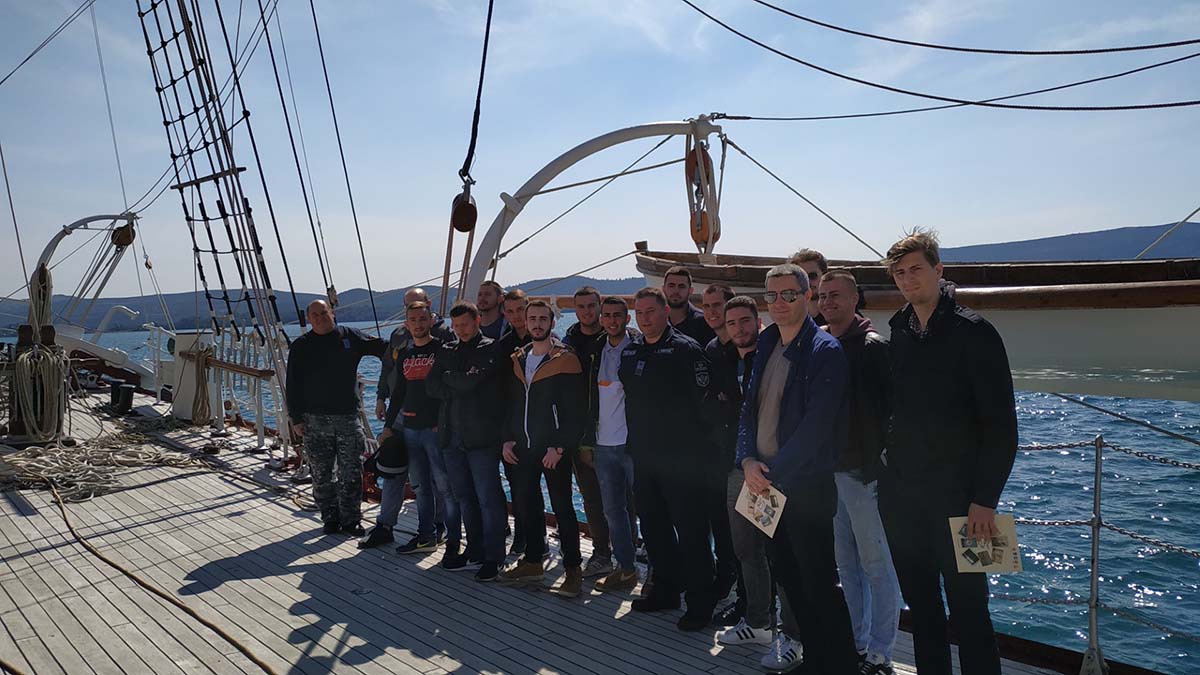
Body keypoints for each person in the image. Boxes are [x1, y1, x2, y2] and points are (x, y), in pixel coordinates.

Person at [878, 230, 1017, 675]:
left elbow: (1002, 427)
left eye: (916, 269)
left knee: (970, 610)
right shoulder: (899, 330)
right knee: (922, 609)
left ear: (938, 270)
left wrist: (985, 501)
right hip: (904, 498)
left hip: (961, 501)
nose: (908, 279)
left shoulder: (974, 332)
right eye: (900, 273)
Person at [737, 264, 860, 673]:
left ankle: (840, 665)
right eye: (771, 295)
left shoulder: (825, 351)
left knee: (819, 582)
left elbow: (817, 428)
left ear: (807, 297)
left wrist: (767, 474)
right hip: (765, 485)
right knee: (789, 577)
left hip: (804, 489)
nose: (779, 302)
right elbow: (749, 410)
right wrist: (747, 459)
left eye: (789, 294)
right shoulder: (767, 342)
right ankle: (816, 659)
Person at [714, 296, 805, 669]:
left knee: (779, 554)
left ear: (758, 321)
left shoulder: (770, 357)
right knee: (746, 549)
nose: (739, 328)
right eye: (731, 323)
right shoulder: (722, 359)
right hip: (737, 469)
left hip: (767, 470)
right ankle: (758, 622)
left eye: (745, 321)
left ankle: (793, 634)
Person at [818, 270, 902, 674]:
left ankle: (882, 651)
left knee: (876, 564)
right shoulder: (821, 344)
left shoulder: (873, 348)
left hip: (863, 474)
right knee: (846, 564)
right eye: (822, 296)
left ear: (855, 300)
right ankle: (855, 640)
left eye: (836, 295)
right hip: (830, 473)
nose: (827, 302)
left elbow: (894, 411)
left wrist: (881, 464)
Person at [620, 287, 717, 631]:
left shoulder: (685, 350)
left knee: (691, 532)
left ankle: (701, 603)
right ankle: (666, 590)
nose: (645, 318)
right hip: (645, 458)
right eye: (640, 312)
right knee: (654, 528)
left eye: (651, 311)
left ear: (665, 312)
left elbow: (704, 406)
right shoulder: (630, 351)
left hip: (682, 461)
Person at [499, 300, 586, 597]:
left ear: (552, 322)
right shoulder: (519, 358)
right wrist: (507, 438)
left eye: (542, 319)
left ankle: (573, 569)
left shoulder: (566, 359)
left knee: (562, 507)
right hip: (523, 446)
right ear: (525, 322)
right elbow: (512, 404)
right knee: (527, 504)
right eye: (532, 318)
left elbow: (576, 411)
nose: (537, 324)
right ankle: (534, 560)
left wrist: (559, 446)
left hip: (552, 449)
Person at [360, 301, 457, 555]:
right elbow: (399, 394)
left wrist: (443, 423)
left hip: (434, 430)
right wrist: (388, 427)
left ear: (431, 320)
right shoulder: (406, 354)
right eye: (413, 320)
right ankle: (426, 536)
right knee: (421, 487)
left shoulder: (442, 350)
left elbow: (451, 390)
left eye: (422, 319)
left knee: (444, 486)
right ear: (406, 324)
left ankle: (452, 539)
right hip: (411, 429)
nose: (418, 324)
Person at [285, 299, 386, 536]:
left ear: (332, 313)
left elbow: (383, 348)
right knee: (321, 473)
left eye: (324, 313)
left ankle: (351, 520)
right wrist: (296, 418)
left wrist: (407, 344)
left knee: (352, 471)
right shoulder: (301, 346)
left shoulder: (350, 336)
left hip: (347, 417)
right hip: (314, 420)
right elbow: (293, 385)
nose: (320, 318)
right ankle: (329, 517)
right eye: (315, 315)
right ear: (309, 319)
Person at [426, 300, 508, 582]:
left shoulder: (491, 348)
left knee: (488, 498)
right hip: (452, 436)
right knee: (464, 497)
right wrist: (457, 381)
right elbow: (431, 385)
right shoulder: (447, 350)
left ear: (477, 322)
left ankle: (495, 556)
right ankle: (475, 550)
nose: (461, 330)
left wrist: (450, 378)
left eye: (466, 324)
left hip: (481, 437)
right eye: (456, 325)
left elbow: (471, 382)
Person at [587, 296, 641, 593]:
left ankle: (658, 574)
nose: (611, 320)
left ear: (627, 318)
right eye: (606, 315)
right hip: (603, 445)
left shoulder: (639, 348)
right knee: (613, 512)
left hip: (633, 445)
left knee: (649, 511)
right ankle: (626, 569)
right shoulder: (595, 350)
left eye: (617, 315)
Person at [563, 286, 616, 579]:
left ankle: (626, 552)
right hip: (579, 430)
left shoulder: (614, 339)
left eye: (591, 306)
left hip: (613, 430)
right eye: (581, 306)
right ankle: (601, 552)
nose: (587, 311)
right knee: (592, 497)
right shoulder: (568, 343)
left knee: (621, 498)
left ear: (599, 306)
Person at [697, 284, 740, 611]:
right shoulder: (710, 349)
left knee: (747, 533)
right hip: (714, 452)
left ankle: (752, 602)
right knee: (719, 522)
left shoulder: (746, 348)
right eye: (707, 306)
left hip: (742, 455)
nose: (712, 311)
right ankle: (725, 580)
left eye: (718, 305)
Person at [494, 288, 537, 558]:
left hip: (540, 428)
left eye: (520, 309)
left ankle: (538, 540)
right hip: (514, 427)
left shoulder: (543, 340)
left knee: (541, 490)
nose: (516, 316)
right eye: (510, 311)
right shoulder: (503, 346)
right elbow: (499, 394)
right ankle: (522, 537)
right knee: (518, 488)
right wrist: (505, 434)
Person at [374, 287, 453, 424]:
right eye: (408, 305)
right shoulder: (398, 335)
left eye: (417, 303)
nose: (413, 308)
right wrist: (381, 398)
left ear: (428, 304)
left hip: (433, 410)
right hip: (401, 406)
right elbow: (387, 366)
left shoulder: (444, 334)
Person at [662, 266, 716, 347]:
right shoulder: (658, 321)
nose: (676, 291)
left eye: (681, 286)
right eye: (671, 286)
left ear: (691, 291)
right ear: (663, 289)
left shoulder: (704, 322)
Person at [787, 248, 829, 322]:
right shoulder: (789, 321)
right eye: (802, 277)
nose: (807, 281)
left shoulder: (840, 317)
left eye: (812, 275)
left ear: (824, 276)